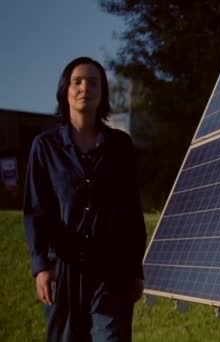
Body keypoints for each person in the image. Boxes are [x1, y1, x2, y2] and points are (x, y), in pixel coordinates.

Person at [23, 56, 147, 342]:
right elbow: (36, 210)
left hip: (113, 271)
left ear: (102, 92)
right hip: (63, 270)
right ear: (65, 90)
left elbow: (131, 210)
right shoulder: (44, 147)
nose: (84, 88)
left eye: (93, 82)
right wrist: (41, 266)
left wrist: (135, 267)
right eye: (77, 81)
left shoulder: (120, 146)